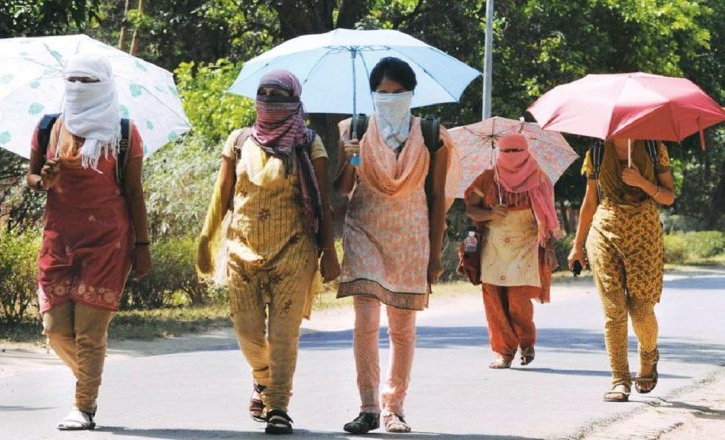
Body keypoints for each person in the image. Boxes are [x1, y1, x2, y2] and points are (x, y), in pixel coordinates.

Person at [196, 70, 341, 435]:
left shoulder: (309, 142)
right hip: (241, 250)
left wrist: (329, 250)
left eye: (279, 92)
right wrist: (205, 238)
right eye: (264, 92)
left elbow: (323, 201)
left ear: (294, 99)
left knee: (283, 334)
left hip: (294, 250)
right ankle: (263, 380)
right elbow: (222, 193)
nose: (270, 97)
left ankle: (278, 405)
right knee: (246, 332)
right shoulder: (239, 140)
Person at [333, 57, 461, 434]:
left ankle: (395, 407)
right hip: (364, 230)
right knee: (366, 324)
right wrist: (347, 157)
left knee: (402, 328)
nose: (390, 99)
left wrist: (435, 255)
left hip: (410, 235)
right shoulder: (353, 129)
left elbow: (436, 197)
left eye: (398, 93)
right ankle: (368, 406)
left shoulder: (433, 135)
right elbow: (342, 189)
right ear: (372, 95)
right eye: (383, 93)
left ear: (411, 94)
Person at [25, 53, 151, 430]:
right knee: (55, 330)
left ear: (105, 86)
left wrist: (142, 246)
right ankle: (91, 374)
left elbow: (134, 191)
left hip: (108, 242)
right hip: (59, 240)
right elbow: (30, 178)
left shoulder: (124, 133)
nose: (78, 88)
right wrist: (42, 180)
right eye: (73, 81)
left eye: (88, 82)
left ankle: (84, 406)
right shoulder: (48, 127)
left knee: (90, 332)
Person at [568, 138, 674, 402]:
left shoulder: (653, 148)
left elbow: (669, 197)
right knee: (614, 310)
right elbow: (590, 200)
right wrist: (577, 244)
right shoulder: (597, 151)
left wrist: (642, 182)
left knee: (641, 310)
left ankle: (648, 355)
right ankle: (619, 379)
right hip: (605, 231)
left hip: (644, 234)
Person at [465, 133, 561, 369]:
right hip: (494, 246)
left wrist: (549, 248)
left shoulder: (539, 179)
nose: (510, 156)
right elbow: (470, 209)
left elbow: (548, 217)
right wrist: (490, 214)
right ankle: (503, 352)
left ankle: (526, 342)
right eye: (505, 151)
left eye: (516, 151)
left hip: (527, 245)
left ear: (527, 151)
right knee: (494, 300)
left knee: (518, 300)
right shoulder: (487, 179)